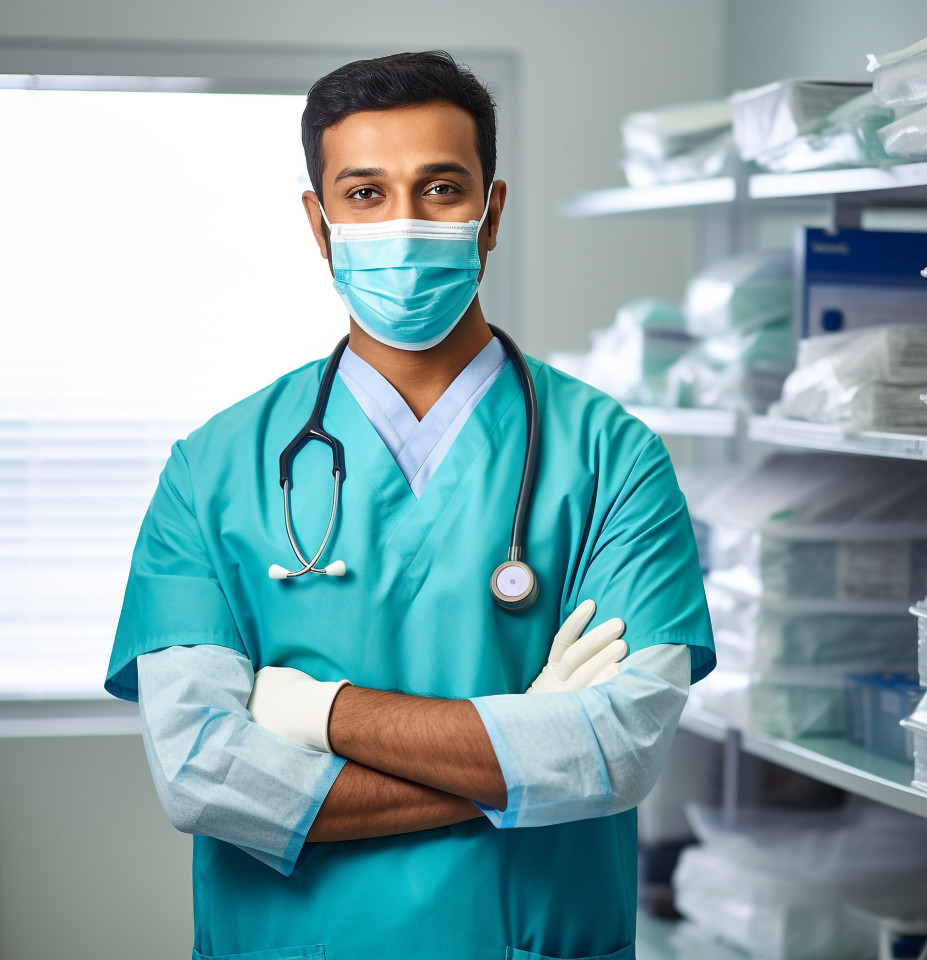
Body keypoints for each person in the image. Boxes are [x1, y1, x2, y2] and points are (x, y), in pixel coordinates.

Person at [105, 50, 715, 960]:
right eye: (364, 194)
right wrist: (528, 751)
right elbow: (205, 775)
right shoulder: (212, 469)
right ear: (318, 224)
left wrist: (319, 714)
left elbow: (618, 750)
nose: (403, 223)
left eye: (439, 189)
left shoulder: (613, 458)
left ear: (490, 215)